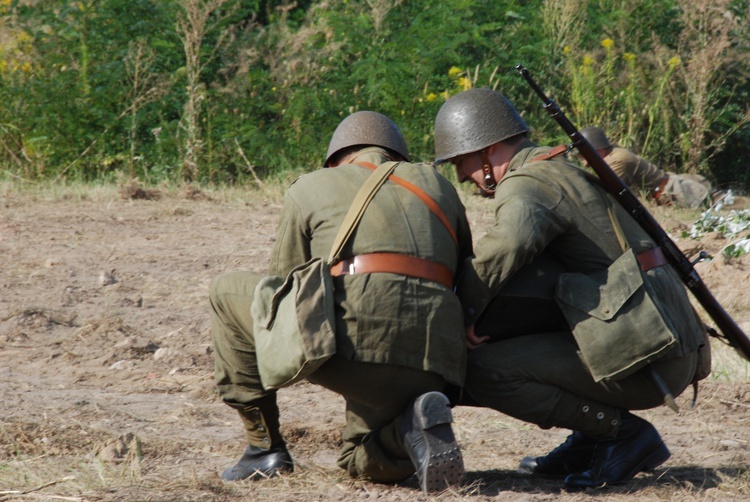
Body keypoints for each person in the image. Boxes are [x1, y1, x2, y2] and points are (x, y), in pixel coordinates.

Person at [433, 89, 709, 490]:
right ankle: (592, 437)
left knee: (481, 370)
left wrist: (461, 316)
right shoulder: (559, 170)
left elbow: (504, 248)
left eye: (461, 161)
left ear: (489, 150)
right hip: (659, 343)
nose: (460, 175)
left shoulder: (527, 182)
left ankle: (619, 434)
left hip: (648, 356)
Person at [209, 111, 473, 493]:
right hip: (437, 366)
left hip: (353, 357)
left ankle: (262, 449)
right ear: (398, 156)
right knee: (358, 457)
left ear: (336, 159)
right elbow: (464, 274)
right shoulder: (440, 186)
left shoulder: (312, 186)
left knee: (226, 290)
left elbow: (283, 292)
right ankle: (409, 429)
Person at [579, 126, 713, 208]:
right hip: (671, 190)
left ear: (597, 150)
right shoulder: (613, 153)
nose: (581, 159)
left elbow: (607, 195)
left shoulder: (615, 160)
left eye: (582, 154)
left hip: (678, 194)